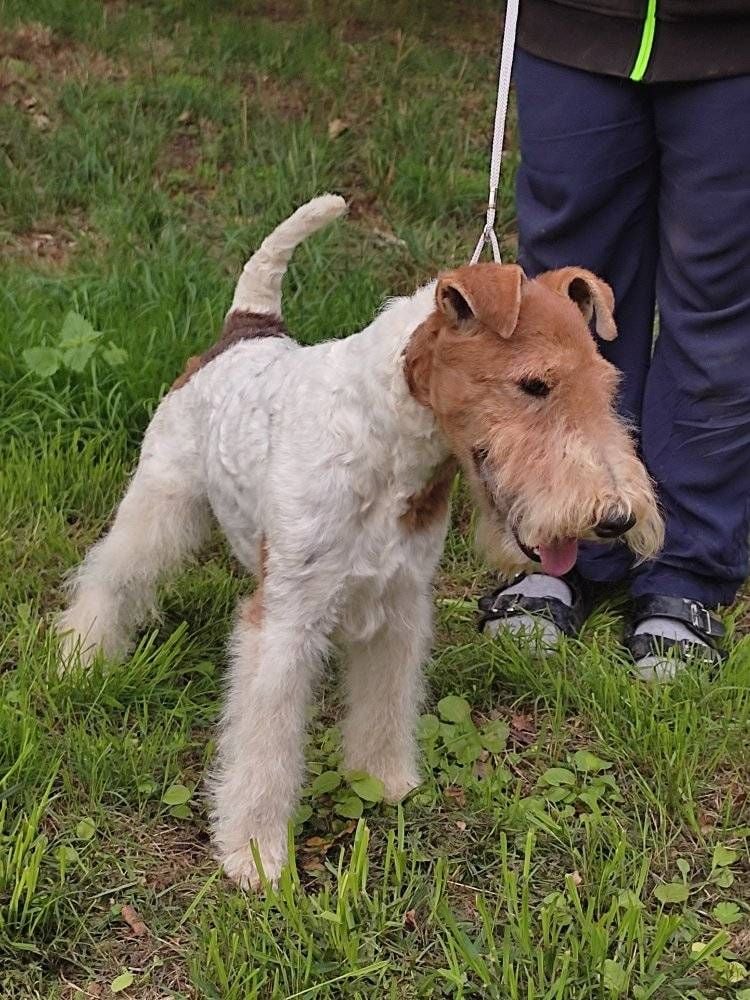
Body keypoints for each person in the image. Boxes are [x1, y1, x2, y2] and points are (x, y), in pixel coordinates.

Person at [478, 0, 750, 679]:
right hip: (575, 25)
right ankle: (559, 543)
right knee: (565, 310)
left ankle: (686, 568)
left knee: (718, 305)